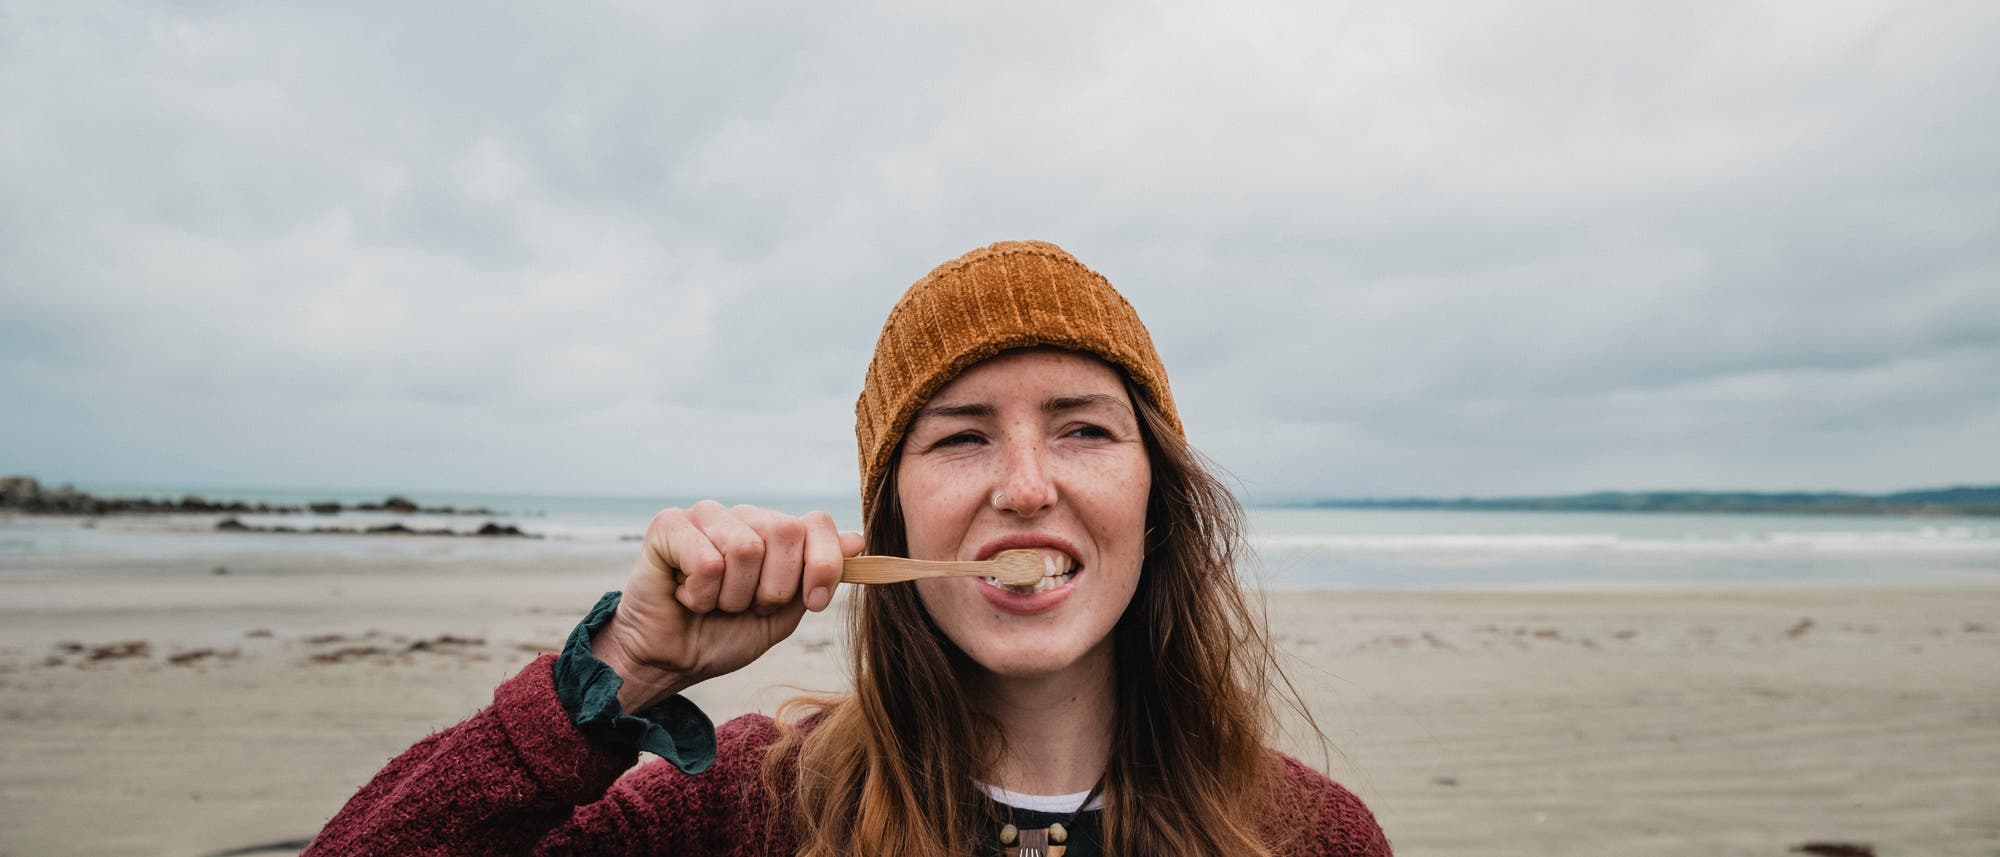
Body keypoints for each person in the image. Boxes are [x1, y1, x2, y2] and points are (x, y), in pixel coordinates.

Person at [306, 240, 1391, 856]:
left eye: (1083, 427)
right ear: (890, 512)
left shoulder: (1309, 835)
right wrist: (619, 671)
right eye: (960, 436)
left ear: (1155, 496)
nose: (1023, 485)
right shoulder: (738, 806)